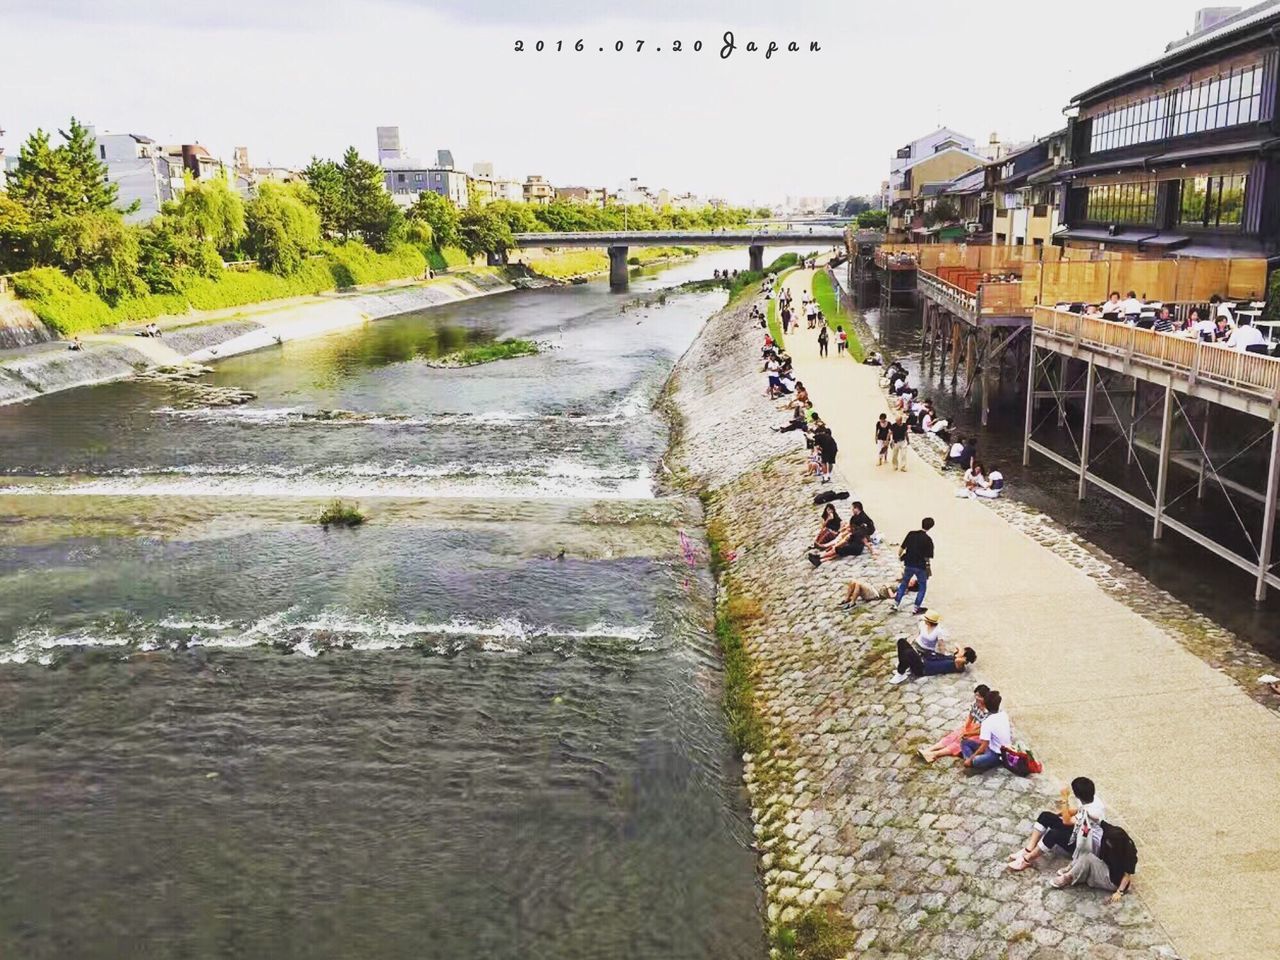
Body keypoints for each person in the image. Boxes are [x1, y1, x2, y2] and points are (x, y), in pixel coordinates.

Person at [1007, 777, 1105, 872]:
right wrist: (1062, 813)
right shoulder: (1093, 799)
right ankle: (1028, 849)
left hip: (1086, 844)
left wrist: (1064, 799)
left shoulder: (1092, 813)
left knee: (1053, 834)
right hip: (1080, 830)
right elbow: (1077, 811)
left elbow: (1066, 821)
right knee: (1045, 816)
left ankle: (1028, 859)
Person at [1049, 821, 1138, 903]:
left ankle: (1068, 877)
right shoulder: (1109, 832)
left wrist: (1119, 892)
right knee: (1087, 853)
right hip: (1106, 866)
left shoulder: (1128, 853)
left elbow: (1127, 875)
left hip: (1113, 880)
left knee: (1088, 858)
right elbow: (1100, 821)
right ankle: (1072, 867)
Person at [918, 686, 990, 762]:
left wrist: (968, 733)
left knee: (960, 742)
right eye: (976, 695)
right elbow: (970, 717)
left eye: (979, 696)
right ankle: (929, 750)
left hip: (981, 734)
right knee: (954, 735)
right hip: (974, 727)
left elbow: (982, 730)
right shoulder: (976, 705)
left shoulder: (988, 711)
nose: (977, 698)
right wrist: (965, 728)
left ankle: (934, 754)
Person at [960, 689, 1011, 771]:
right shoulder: (1003, 714)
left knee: (974, 760)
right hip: (1000, 748)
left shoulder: (987, 722)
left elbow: (983, 746)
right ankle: (974, 758)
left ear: (985, 705)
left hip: (997, 754)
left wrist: (970, 760)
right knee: (965, 742)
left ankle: (970, 759)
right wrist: (969, 734)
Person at [890, 637, 976, 683]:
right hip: (922, 660)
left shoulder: (960, 666)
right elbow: (956, 645)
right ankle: (903, 668)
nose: (958, 651)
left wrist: (963, 655)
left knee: (908, 653)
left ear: (964, 658)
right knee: (902, 642)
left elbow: (960, 659)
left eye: (962, 652)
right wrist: (961, 652)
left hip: (922, 669)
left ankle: (900, 673)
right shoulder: (953, 657)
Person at [894, 517, 935, 613]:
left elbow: (902, 548)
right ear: (930, 527)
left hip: (909, 563)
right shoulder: (928, 540)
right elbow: (927, 557)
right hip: (920, 566)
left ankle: (896, 603)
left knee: (904, 584)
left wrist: (899, 556)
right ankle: (916, 608)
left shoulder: (911, 534)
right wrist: (928, 568)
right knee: (922, 587)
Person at [808, 520, 875, 566]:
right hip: (858, 550)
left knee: (836, 551)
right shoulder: (863, 535)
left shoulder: (853, 534)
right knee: (838, 553)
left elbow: (845, 541)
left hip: (853, 548)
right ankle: (820, 559)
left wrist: (836, 546)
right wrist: (873, 552)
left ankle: (820, 557)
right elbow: (866, 543)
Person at [840, 573, 918, 608]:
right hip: (874, 588)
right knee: (853, 581)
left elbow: (893, 596)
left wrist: (888, 587)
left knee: (858, 584)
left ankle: (852, 602)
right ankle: (846, 599)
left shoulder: (903, 590)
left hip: (875, 594)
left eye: (911, 582)